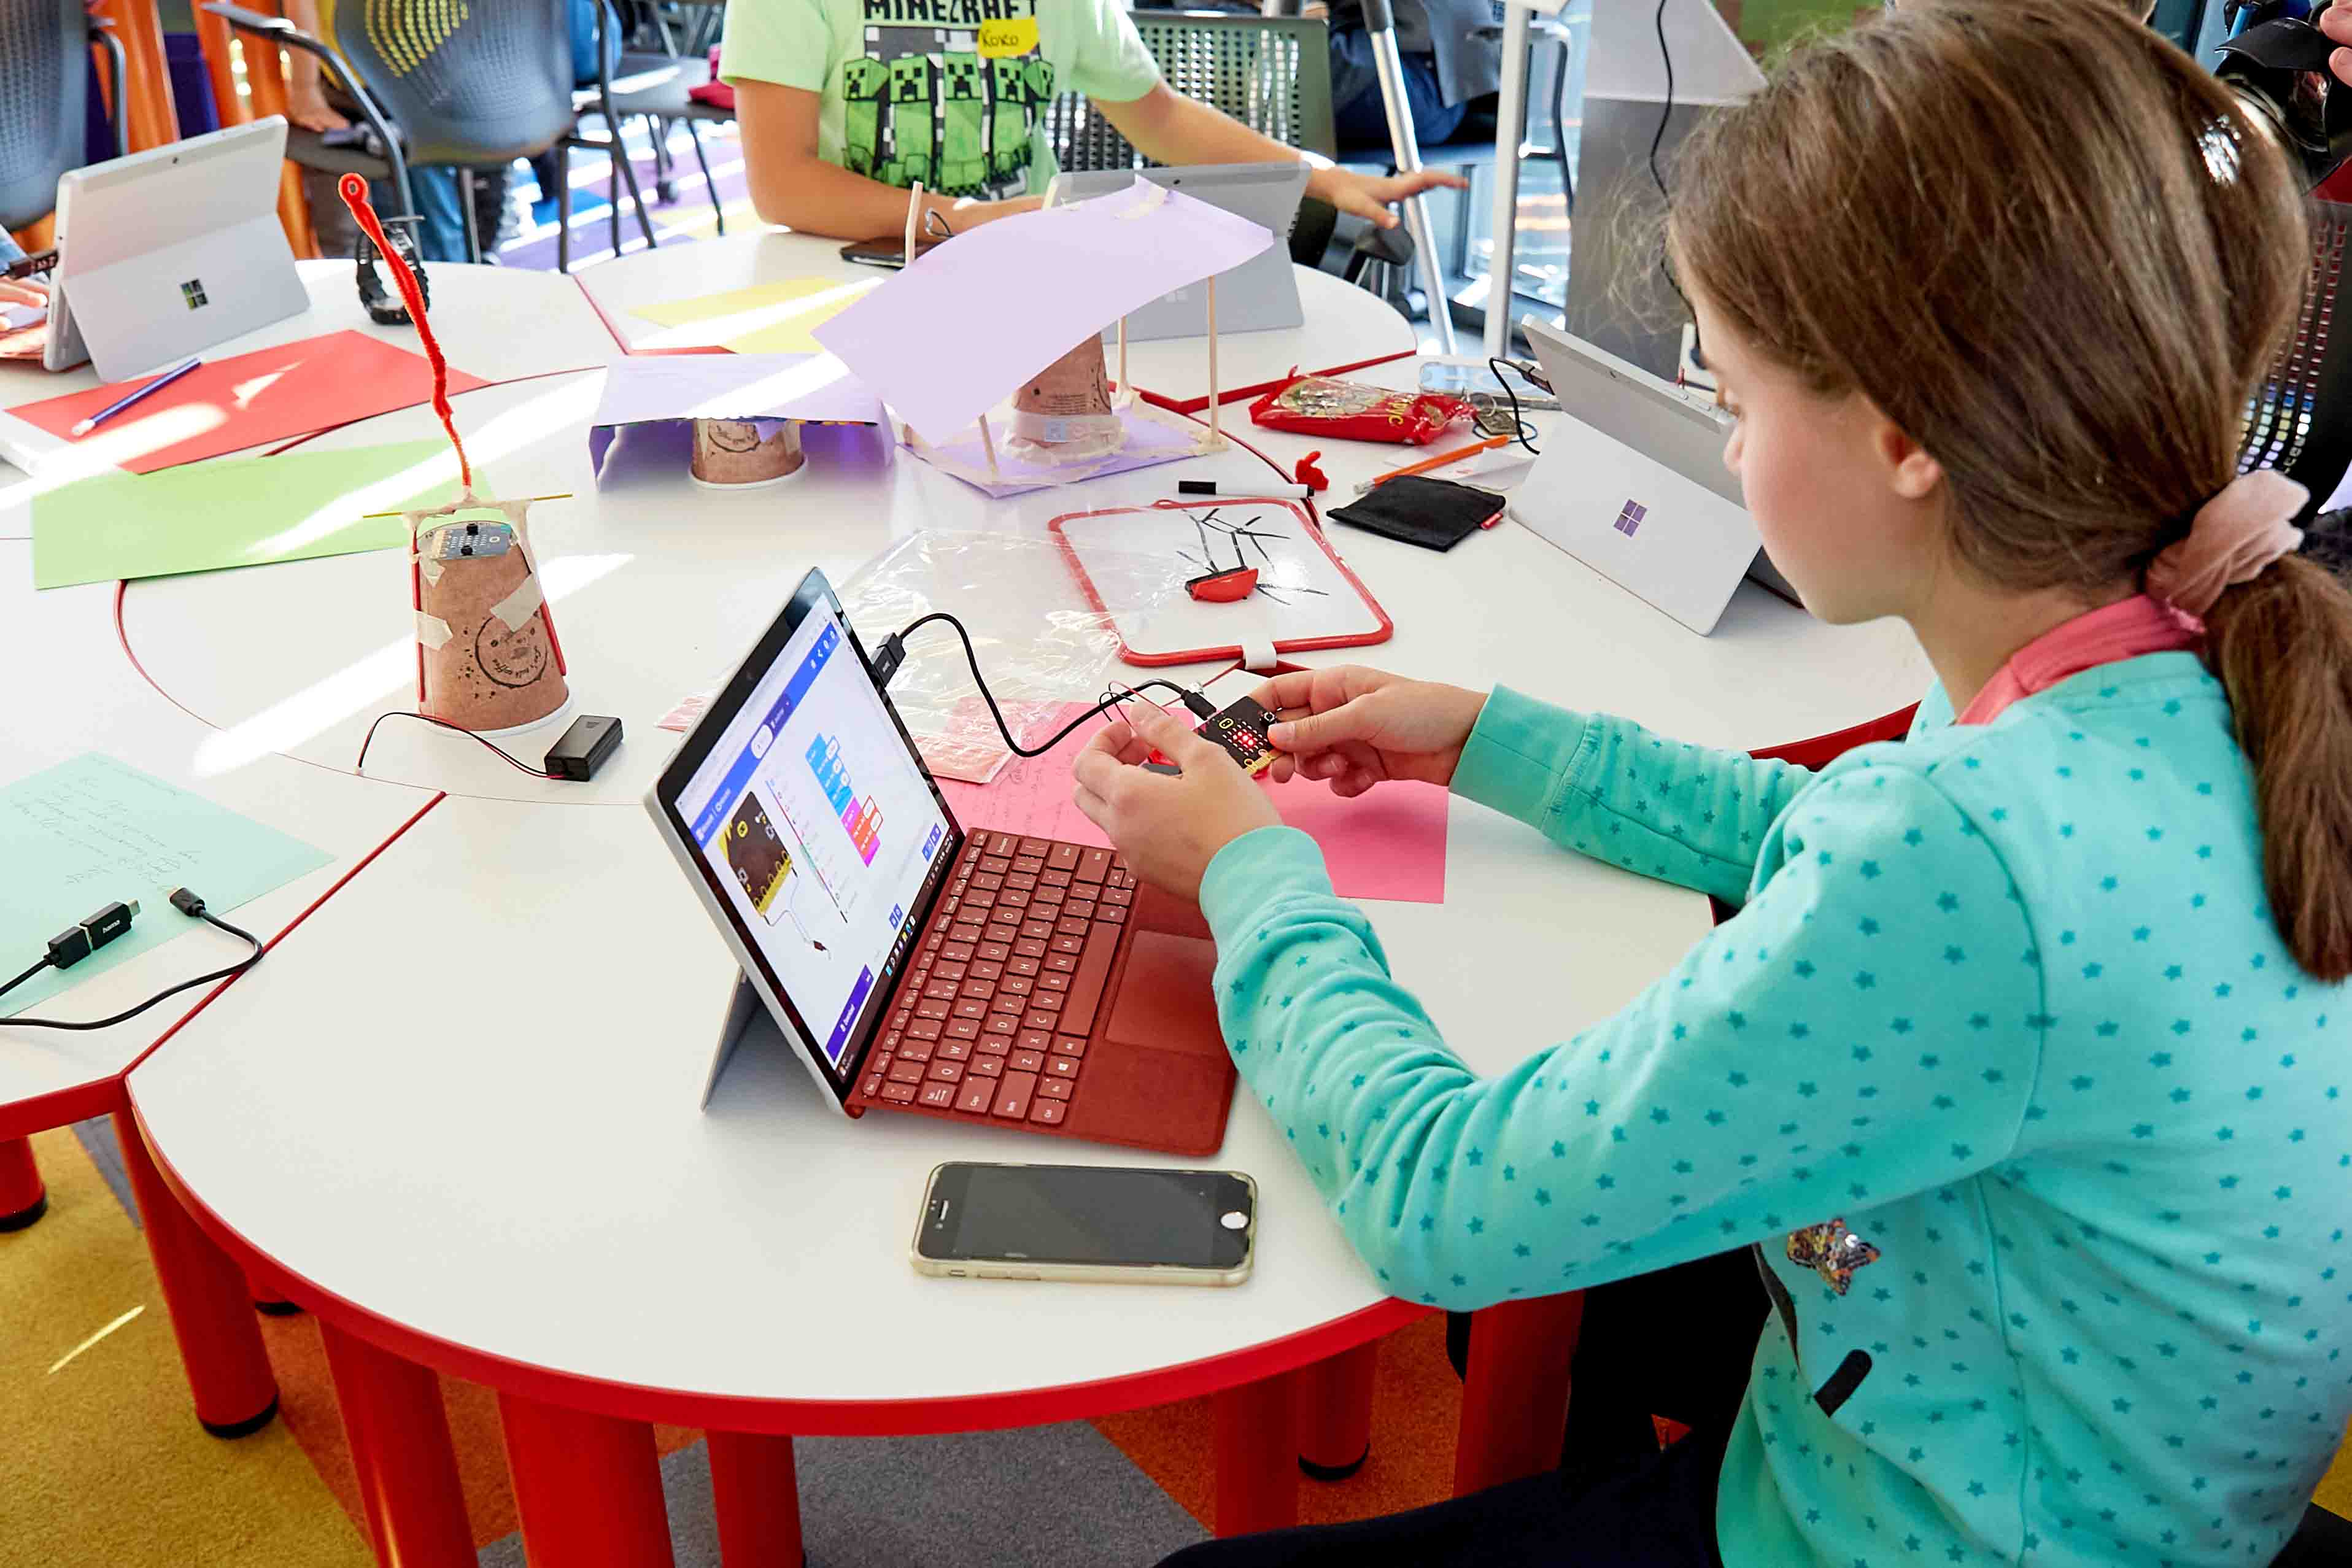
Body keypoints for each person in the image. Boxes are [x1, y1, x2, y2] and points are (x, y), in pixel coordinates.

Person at [1069, 4, 2352, 1564]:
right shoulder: (2181, 656)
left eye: (1732, 399)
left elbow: (1440, 1204)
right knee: (1591, 1294)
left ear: (1902, 442)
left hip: (1921, 1526)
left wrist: (1244, 873)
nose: (1727, 447)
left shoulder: (1964, 852)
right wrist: (1481, 734)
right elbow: (1821, 830)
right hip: (2102, 1451)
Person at [718, 0, 1465, 241]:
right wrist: (966, 219)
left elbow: (1162, 120)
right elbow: (782, 185)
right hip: (847, 268)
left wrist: (1322, 177)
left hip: (1031, 274)